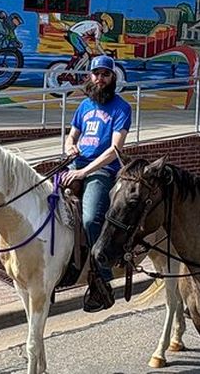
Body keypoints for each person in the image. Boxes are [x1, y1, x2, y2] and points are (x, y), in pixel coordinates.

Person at [61, 55, 131, 312]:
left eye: (105, 74)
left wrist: (84, 172)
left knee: (91, 219)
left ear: (113, 78)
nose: (100, 78)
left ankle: (103, 273)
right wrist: (70, 147)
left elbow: (115, 150)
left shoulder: (122, 108)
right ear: (89, 76)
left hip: (102, 170)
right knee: (48, 203)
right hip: (76, 165)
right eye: (96, 74)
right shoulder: (85, 106)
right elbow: (72, 134)